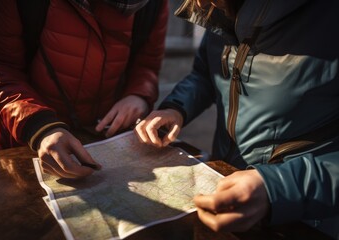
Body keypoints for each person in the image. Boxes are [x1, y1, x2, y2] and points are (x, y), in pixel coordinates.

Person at [135, 0, 339, 236]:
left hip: (304, 220)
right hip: (223, 187)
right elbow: (205, 73)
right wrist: (176, 108)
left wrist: (278, 187)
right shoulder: (219, 10)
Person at [0, 0, 168, 179]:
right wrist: (40, 128)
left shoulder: (153, 4)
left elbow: (147, 63)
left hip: (109, 140)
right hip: (28, 140)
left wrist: (138, 95)